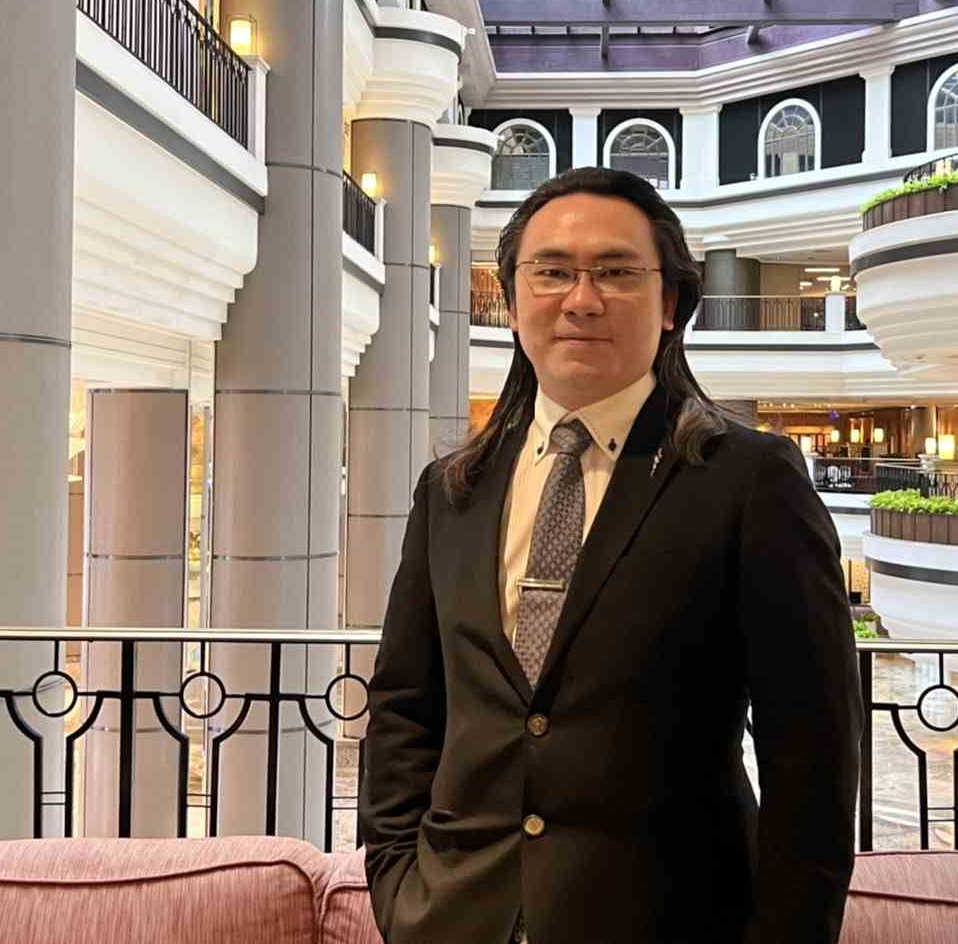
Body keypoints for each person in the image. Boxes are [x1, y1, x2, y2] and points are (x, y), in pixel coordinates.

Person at [358, 167, 862, 944]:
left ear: (671, 303)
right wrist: (397, 883)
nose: (582, 299)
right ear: (513, 298)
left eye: (618, 272)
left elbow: (814, 752)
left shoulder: (748, 482)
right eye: (552, 271)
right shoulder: (453, 491)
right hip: (454, 918)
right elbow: (405, 706)